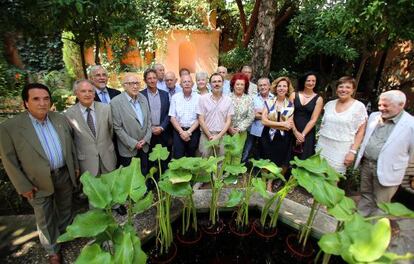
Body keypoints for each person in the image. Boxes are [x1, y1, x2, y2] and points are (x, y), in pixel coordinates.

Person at [0, 83, 79, 264]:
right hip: (36, 182)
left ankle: (63, 237)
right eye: (36, 99)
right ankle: (52, 250)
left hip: (63, 174)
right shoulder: (10, 127)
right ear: (26, 103)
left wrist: (74, 166)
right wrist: (22, 185)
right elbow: (9, 160)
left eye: (46, 98)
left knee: (65, 208)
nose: (42, 103)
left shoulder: (59, 118)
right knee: (44, 216)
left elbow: (70, 146)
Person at [355, 90, 414, 216]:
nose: (381, 108)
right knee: (365, 196)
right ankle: (358, 227)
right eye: (380, 104)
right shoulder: (374, 116)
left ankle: (373, 232)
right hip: (367, 164)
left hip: (389, 170)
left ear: (401, 105)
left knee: (381, 204)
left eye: (385, 105)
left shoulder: (410, 124)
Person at [316, 76, 367, 174]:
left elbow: (361, 132)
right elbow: (323, 125)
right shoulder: (329, 104)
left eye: (348, 87)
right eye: (341, 87)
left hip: (341, 150)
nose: (344, 90)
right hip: (323, 145)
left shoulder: (359, 107)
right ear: (336, 89)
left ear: (353, 90)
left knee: (333, 179)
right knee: (317, 175)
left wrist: (352, 152)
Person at [65, 80, 117, 177]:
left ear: (94, 93)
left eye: (90, 91)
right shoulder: (69, 114)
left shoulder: (106, 109)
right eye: (83, 91)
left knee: (112, 190)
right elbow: (72, 140)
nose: (87, 94)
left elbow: (111, 131)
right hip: (87, 163)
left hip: (108, 158)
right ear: (76, 93)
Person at [111, 73, 152, 176]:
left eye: (137, 83)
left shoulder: (143, 98)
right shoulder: (115, 102)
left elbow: (149, 121)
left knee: (144, 173)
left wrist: (146, 139)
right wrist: (134, 143)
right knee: (130, 178)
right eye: (131, 83)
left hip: (144, 146)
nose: (135, 86)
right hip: (128, 149)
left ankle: (145, 192)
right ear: (124, 85)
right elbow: (117, 128)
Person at [261, 77, 294, 191]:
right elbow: (263, 121)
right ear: (275, 87)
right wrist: (282, 124)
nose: (282, 88)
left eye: (284, 86)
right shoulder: (269, 102)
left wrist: (273, 123)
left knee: (279, 160)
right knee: (266, 158)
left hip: (283, 137)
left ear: (288, 88)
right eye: (279, 86)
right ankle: (264, 180)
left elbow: (289, 125)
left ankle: (270, 182)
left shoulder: (290, 105)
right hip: (268, 135)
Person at [197, 73, 234, 157]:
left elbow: (228, 120)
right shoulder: (203, 99)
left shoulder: (228, 100)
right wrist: (210, 136)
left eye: (219, 81)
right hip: (206, 135)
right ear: (210, 84)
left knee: (220, 161)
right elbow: (200, 119)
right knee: (204, 162)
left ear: (223, 83)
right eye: (214, 82)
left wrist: (218, 136)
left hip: (222, 135)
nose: (217, 84)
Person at [141, 68, 171, 170]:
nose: (152, 80)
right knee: (149, 160)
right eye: (149, 78)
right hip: (147, 133)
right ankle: (151, 184)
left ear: (157, 79)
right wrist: (151, 129)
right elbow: (140, 115)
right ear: (145, 80)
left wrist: (162, 127)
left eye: (154, 78)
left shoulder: (165, 94)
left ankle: (162, 182)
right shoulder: (140, 95)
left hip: (163, 132)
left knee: (164, 160)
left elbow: (168, 113)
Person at [290, 72, 323, 160]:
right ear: (303, 81)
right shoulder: (294, 95)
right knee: (288, 158)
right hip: (292, 129)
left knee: (304, 158)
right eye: (308, 80)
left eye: (313, 81)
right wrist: (295, 132)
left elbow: (314, 119)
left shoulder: (319, 99)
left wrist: (302, 135)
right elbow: (289, 115)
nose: (311, 83)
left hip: (307, 134)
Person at [242, 78, 274, 163]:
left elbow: (274, 116)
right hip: (253, 129)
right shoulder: (253, 98)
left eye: (265, 85)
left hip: (268, 130)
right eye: (260, 85)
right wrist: (266, 114)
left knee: (264, 151)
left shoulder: (274, 99)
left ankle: (261, 170)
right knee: (247, 149)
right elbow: (250, 114)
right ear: (258, 87)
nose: (263, 87)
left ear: (269, 86)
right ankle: (242, 169)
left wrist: (260, 112)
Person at [169, 74, 201, 158]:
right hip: (178, 132)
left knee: (192, 157)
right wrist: (181, 132)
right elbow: (172, 117)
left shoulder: (199, 98)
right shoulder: (175, 97)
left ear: (193, 84)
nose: (187, 83)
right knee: (178, 157)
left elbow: (199, 118)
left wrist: (189, 132)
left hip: (193, 132)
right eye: (184, 82)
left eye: (189, 81)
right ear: (180, 85)